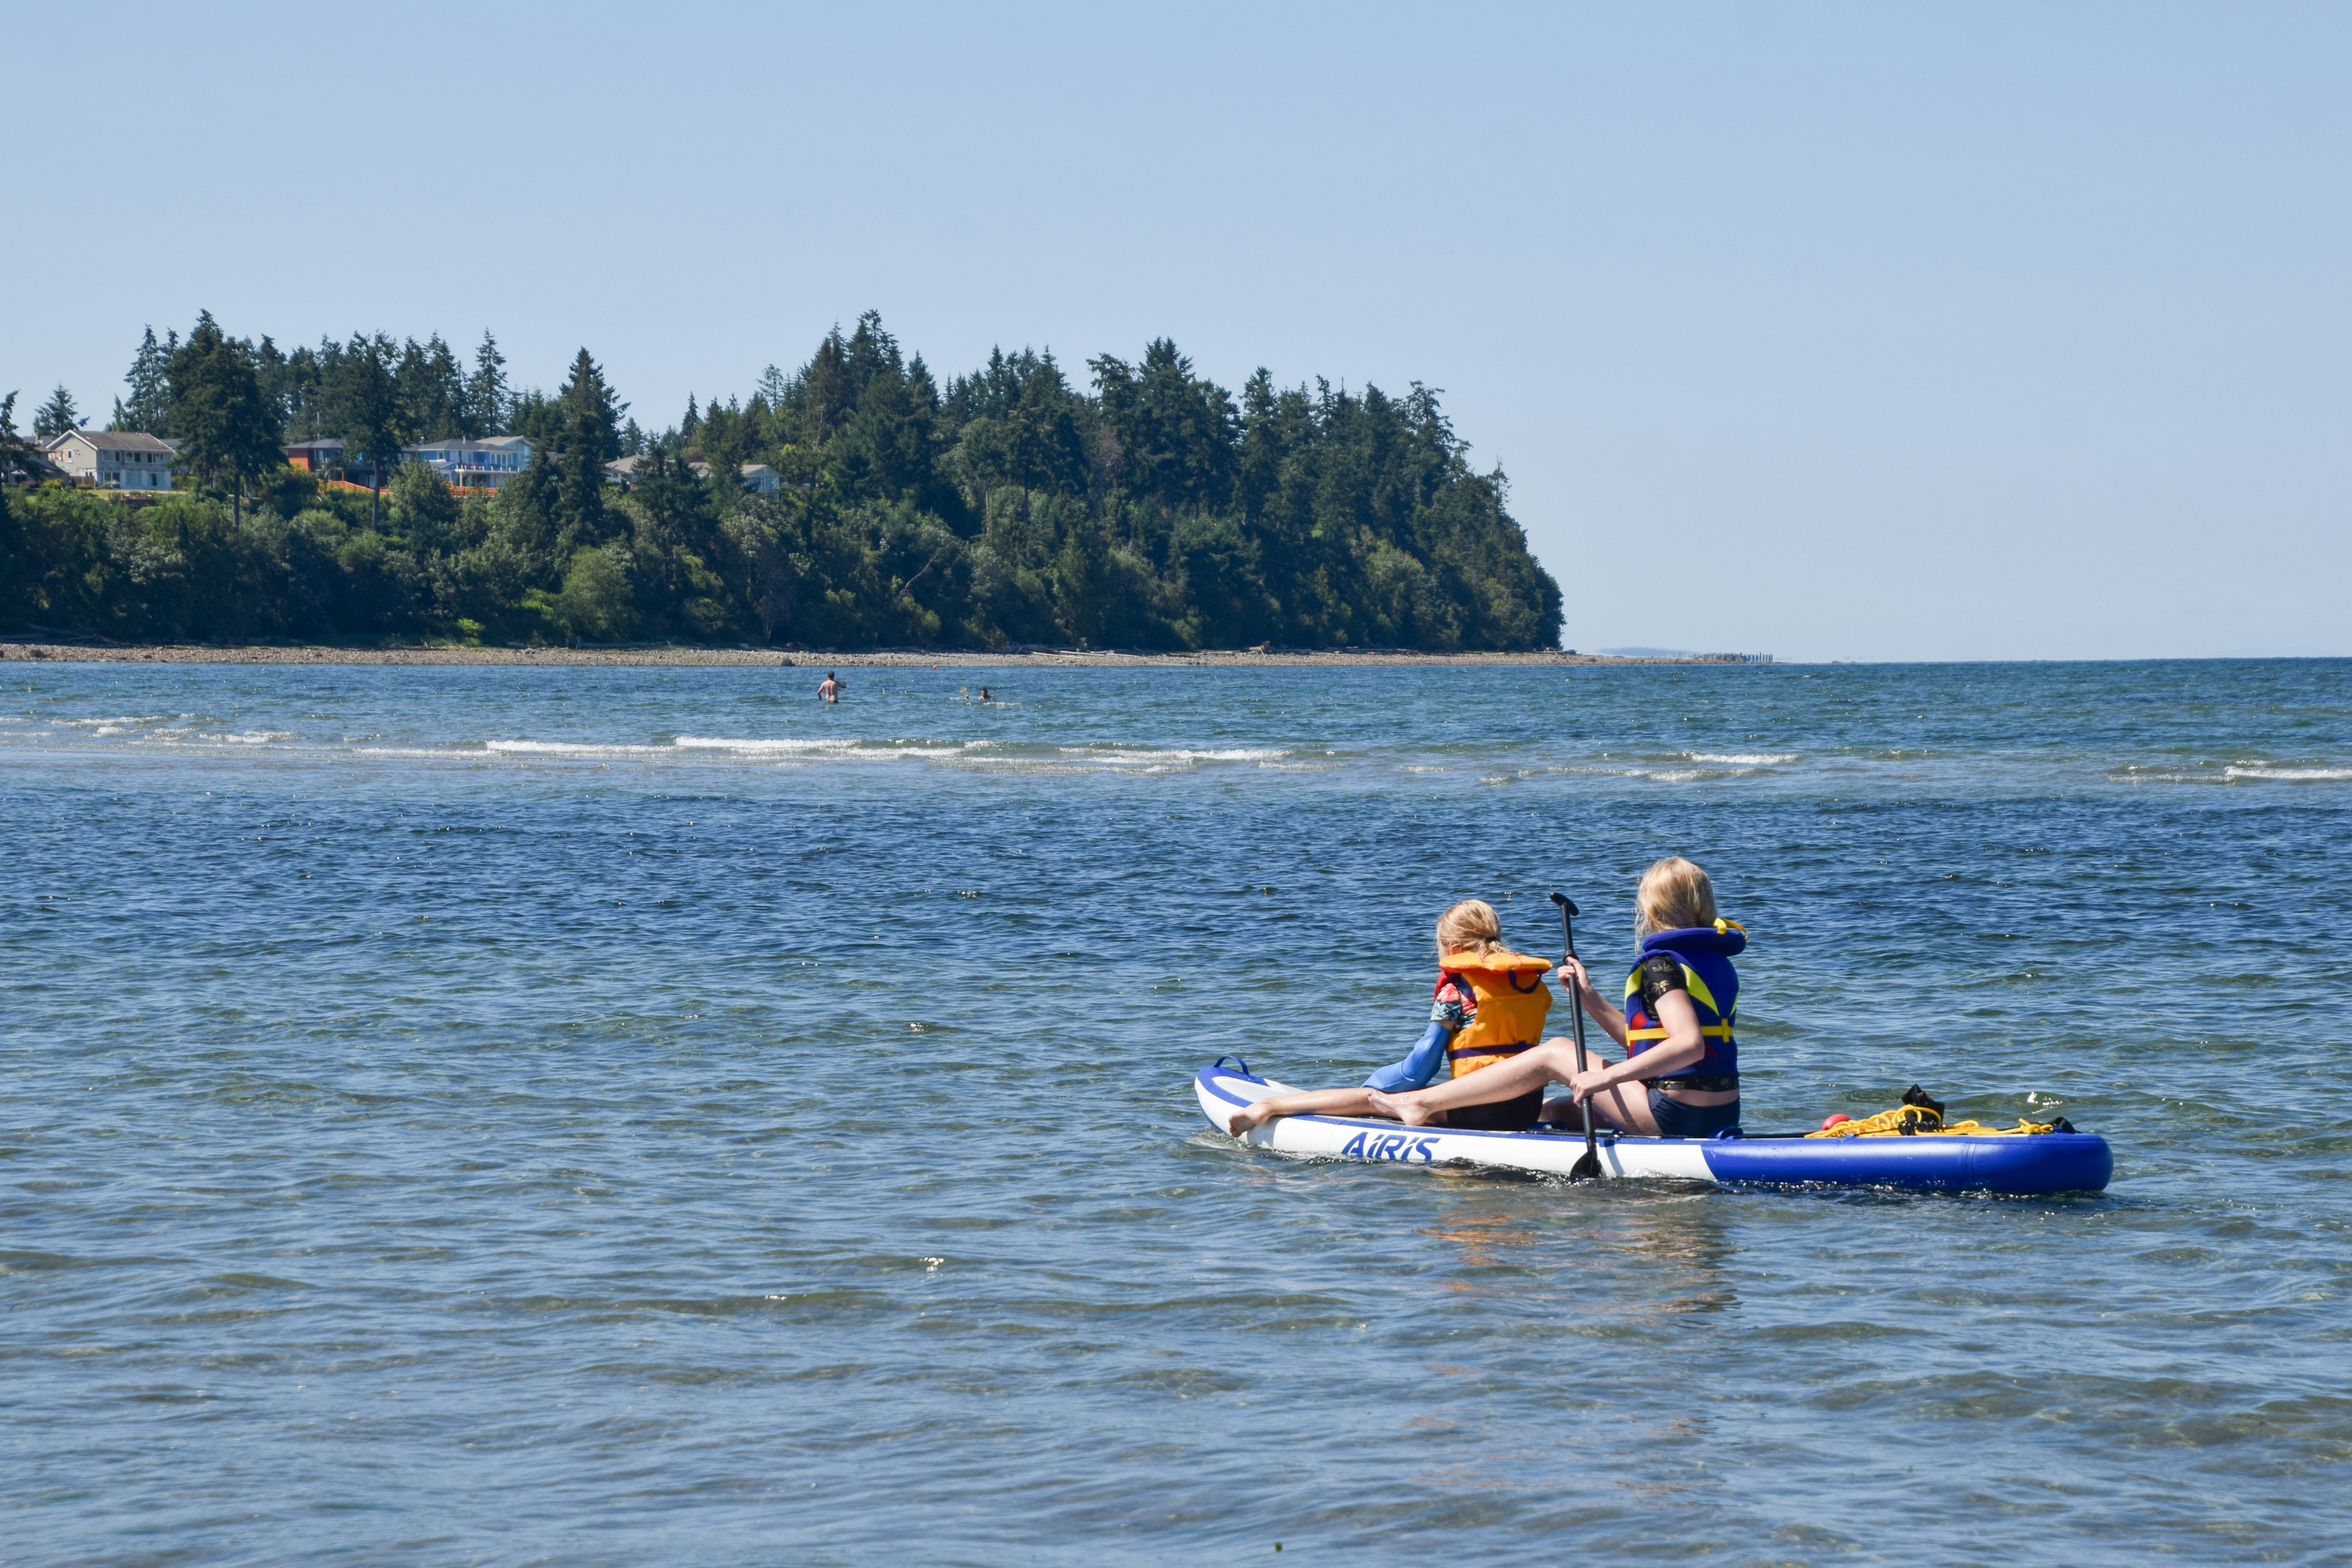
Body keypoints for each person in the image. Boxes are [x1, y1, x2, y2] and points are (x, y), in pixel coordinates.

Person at [1367, 857, 1743, 1138]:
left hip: (1675, 1114)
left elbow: (1689, 1045)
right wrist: (1587, 996)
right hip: (1721, 1113)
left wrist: (1606, 1077)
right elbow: (1645, 1044)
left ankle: (1423, 1102)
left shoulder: (1660, 964)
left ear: (1651, 909)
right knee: (1556, 1109)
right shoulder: (1712, 960)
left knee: (1555, 1052)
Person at [1222, 899, 1559, 1136]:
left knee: (1373, 1098)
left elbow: (1418, 1070)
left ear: (1454, 948)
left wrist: (1375, 1086)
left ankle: (1267, 1108)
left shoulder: (1456, 991)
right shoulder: (1530, 983)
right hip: (1526, 1105)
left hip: (1485, 1113)